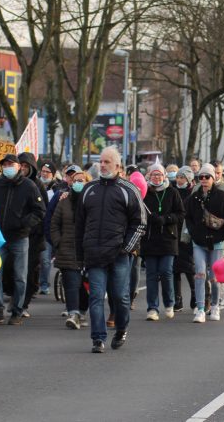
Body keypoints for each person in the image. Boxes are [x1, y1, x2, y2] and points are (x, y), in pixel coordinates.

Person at [76, 146, 147, 353]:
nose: (103, 165)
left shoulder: (128, 190)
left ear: (118, 166)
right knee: (96, 297)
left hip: (118, 255)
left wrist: (126, 247)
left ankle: (122, 329)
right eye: (101, 161)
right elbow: (79, 225)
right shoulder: (89, 190)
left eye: (108, 162)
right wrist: (80, 256)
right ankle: (98, 339)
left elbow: (140, 222)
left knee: (121, 297)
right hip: (94, 254)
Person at [0, 153, 46, 326]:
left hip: (20, 238)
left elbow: (39, 211)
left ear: (19, 166)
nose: (7, 167)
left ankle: (17, 311)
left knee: (20, 276)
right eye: (4, 164)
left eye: (11, 164)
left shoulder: (29, 186)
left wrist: (24, 224)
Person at [184, 164, 224, 322]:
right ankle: (200, 308)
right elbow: (188, 218)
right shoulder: (193, 197)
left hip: (218, 242)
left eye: (207, 177)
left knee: (214, 277)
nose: (204, 180)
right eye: (201, 177)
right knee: (200, 274)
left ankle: (215, 306)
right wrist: (193, 233)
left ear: (214, 178)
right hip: (199, 242)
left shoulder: (222, 196)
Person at [140, 163, 184, 321]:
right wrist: (148, 219)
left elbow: (180, 214)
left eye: (159, 174)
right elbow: (137, 212)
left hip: (168, 239)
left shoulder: (172, 192)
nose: (156, 177)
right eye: (153, 175)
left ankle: (169, 303)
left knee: (166, 272)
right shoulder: (144, 193)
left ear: (164, 176)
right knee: (151, 274)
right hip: (150, 240)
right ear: (149, 176)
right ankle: (152, 308)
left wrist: (166, 219)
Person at [50, 168, 90, 329]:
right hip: (66, 249)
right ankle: (73, 313)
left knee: (84, 285)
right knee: (71, 283)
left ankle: (81, 311)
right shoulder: (64, 201)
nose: (78, 183)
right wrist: (58, 242)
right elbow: (54, 224)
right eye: (75, 180)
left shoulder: (92, 201)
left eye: (81, 180)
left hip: (86, 250)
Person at [17, 152, 48, 316]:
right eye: (19, 165)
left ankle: (23, 304)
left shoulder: (38, 186)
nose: (22, 168)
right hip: (14, 235)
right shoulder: (10, 184)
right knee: (14, 271)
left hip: (33, 236)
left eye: (25, 166)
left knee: (29, 272)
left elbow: (43, 211)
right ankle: (16, 301)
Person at [173, 166, 196, 312]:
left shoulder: (193, 193)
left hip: (187, 233)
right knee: (175, 269)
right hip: (173, 233)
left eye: (182, 177)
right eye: (178, 177)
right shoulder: (172, 191)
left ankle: (195, 294)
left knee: (189, 267)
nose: (179, 180)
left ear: (188, 179)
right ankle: (178, 299)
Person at [38, 161, 61, 295]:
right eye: (43, 171)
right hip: (36, 228)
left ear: (53, 174)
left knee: (45, 259)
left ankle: (44, 284)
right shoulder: (35, 185)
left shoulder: (57, 189)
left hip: (49, 229)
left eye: (47, 172)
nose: (44, 174)